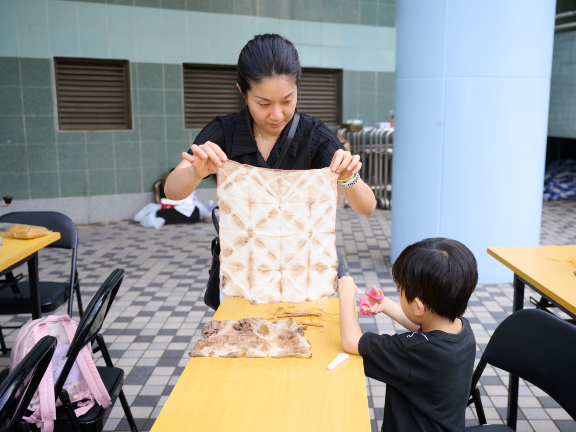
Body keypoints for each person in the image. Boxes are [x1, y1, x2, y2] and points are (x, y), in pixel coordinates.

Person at [164, 33, 376, 215]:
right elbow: (171, 192)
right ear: (242, 92)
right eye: (263, 103)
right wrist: (195, 173)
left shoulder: (314, 134)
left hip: (303, 258)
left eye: (287, 101)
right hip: (241, 258)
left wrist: (347, 178)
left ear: (298, 90)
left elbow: (367, 207)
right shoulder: (225, 130)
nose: (277, 115)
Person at [338, 238, 478, 432]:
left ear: (419, 306)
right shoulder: (462, 329)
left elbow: (351, 341)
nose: (399, 294)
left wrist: (345, 293)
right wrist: (385, 305)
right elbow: (422, 326)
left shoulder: (413, 351)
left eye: (400, 291)